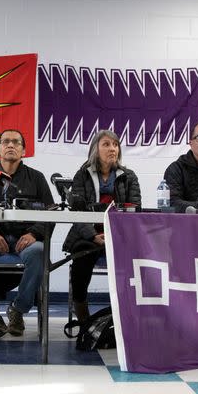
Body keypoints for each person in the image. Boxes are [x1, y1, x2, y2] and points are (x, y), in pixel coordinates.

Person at [0, 129, 54, 340]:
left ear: (23, 150)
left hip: (26, 240)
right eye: (5, 142)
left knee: (39, 251)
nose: (11, 145)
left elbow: (51, 212)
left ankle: (18, 310)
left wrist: (34, 233)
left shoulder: (37, 178)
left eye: (16, 142)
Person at [62, 130, 141, 340]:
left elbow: (135, 210)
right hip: (90, 235)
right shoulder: (82, 175)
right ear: (95, 149)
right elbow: (77, 212)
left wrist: (114, 233)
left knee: (137, 259)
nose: (112, 149)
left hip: (119, 234)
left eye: (115, 145)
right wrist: (93, 236)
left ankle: (127, 315)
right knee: (81, 256)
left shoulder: (129, 176)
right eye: (106, 144)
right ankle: (84, 319)